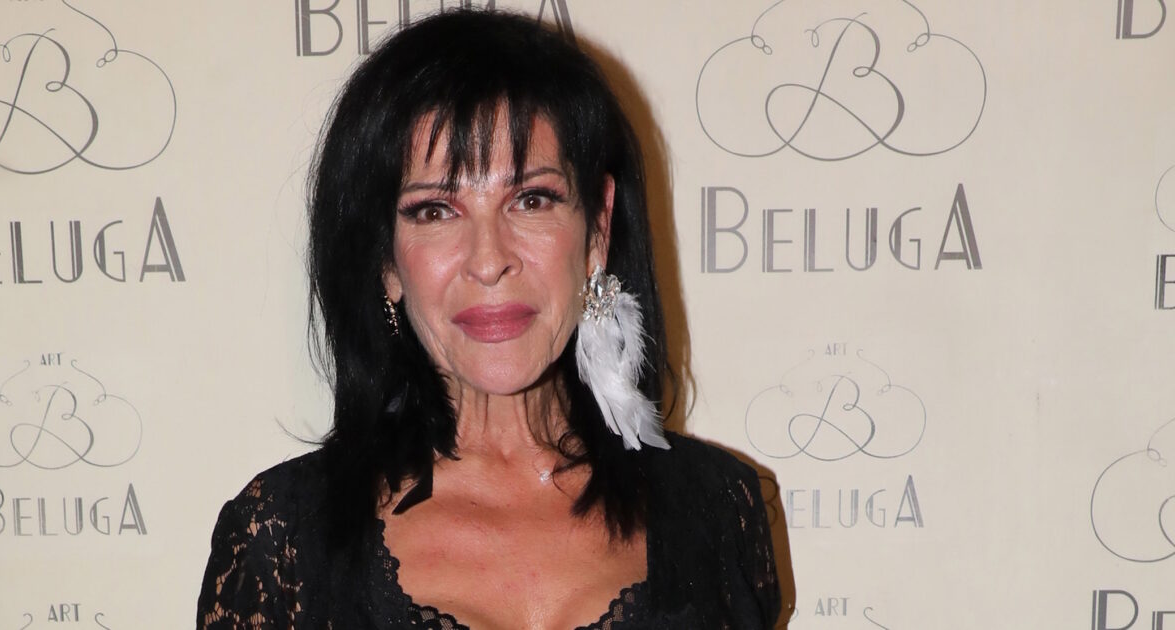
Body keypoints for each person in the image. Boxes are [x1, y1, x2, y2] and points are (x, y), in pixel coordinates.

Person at [196, 9, 781, 629]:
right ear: (386, 261)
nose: (489, 260)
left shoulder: (719, 508)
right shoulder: (282, 540)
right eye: (435, 211)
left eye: (532, 199)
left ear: (597, 231)